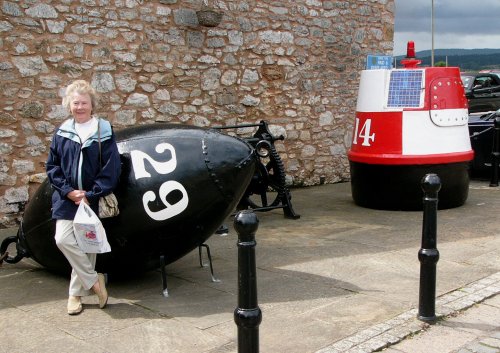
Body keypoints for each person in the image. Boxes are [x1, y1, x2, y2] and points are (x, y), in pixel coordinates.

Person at [46, 80, 121, 315]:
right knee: (63, 239)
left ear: (92, 105)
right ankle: (95, 283)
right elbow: (52, 166)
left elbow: (112, 168)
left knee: (87, 245)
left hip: (92, 199)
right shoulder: (62, 132)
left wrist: (91, 193)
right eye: (75, 103)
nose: (79, 107)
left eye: (84, 103)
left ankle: (74, 295)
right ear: (69, 105)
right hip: (66, 198)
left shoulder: (103, 131)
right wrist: (68, 191)